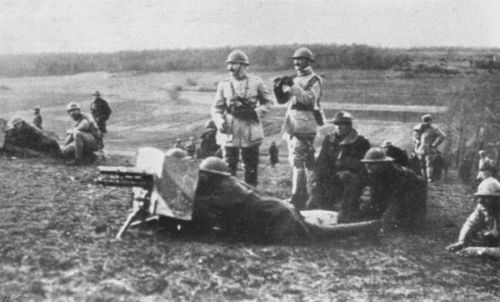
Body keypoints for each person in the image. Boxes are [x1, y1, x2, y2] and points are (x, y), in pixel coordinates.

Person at [192, 156, 381, 243]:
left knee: (319, 235)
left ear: (212, 175)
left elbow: (210, 205)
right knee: (319, 232)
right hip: (277, 212)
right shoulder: (229, 184)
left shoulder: (227, 188)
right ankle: (367, 227)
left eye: (205, 175)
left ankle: (368, 227)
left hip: (277, 217)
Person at [211, 49, 274, 186]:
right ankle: (230, 195)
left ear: (243, 65)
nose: (230, 68)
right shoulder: (224, 84)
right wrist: (220, 121)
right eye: (229, 64)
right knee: (228, 167)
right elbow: (216, 108)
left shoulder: (256, 82)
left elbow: (269, 102)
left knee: (251, 167)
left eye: (234, 64)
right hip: (230, 131)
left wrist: (255, 112)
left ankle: (251, 196)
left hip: (250, 130)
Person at [273, 47, 325, 208]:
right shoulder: (296, 79)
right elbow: (284, 100)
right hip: (294, 124)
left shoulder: (315, 79)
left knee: (304, 161)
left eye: (300, 59)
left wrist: (292, 85)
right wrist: (278, 90)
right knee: (296, 161)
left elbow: (309, 100)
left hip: (308, 125)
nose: (296, 62)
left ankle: (302, 197)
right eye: (295, 59)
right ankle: (300, 196)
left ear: (309, 61)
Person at [306, 111, 371, 222]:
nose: (339, 127)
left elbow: (364, 165)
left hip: (350, 178)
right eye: (336, 124)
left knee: (346, 181)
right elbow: (322, 160)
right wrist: (318, 174)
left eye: (343, 124)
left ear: (349, 125)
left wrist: (345, 165)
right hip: (330, 177)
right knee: (312, 203)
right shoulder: (329, 139)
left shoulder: (361, 142)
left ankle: (347, 209)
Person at [360, 147, 427, 229]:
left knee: (406, 222)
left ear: (383, 163)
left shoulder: (396, 175)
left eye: (372, 163)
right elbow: (375, 195)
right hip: (397, 192)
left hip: (414, 189)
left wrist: (385, 220)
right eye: (366, 163)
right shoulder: (374, 172)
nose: (368, 166)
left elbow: (395, 199)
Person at [446, 177, 500, 258]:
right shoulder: (484, 207)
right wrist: (462, 241)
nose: (480, 201)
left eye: (486, 197)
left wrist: (479, 251)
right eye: (480, 197)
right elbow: (471, 223)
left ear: (497, 199)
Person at [413, 114, 446, 182]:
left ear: (430, 121)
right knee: (421, 163)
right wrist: (416, 141)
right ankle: (423, 177)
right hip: (420, 148)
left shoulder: (434, 129)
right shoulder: (419, 128)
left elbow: (442, 136)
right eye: (425, 121)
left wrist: (435, 144)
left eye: (428, 121)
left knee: (429, 163)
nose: (426, 123)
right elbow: (415, 137)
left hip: (430, 148)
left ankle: (429, 178)